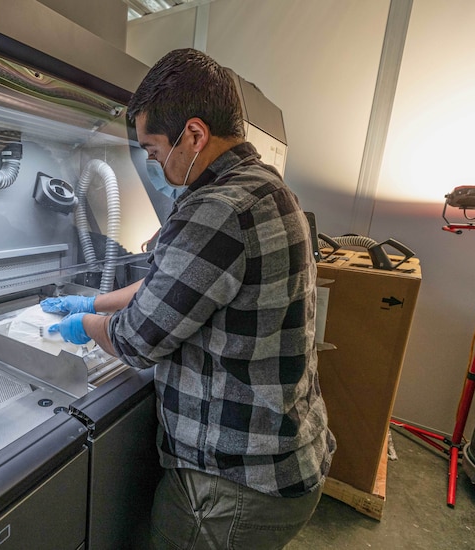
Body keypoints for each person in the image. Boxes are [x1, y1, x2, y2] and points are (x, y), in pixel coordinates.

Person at [41, 48, 335, 550]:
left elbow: (135, 343)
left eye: (154, 150)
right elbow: (173, 279)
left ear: (195, 136)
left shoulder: (216, 207)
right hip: (283, 454)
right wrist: (95, 303)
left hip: (232, 485)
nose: (154, 163)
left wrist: (81, 328)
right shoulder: (265, 188)